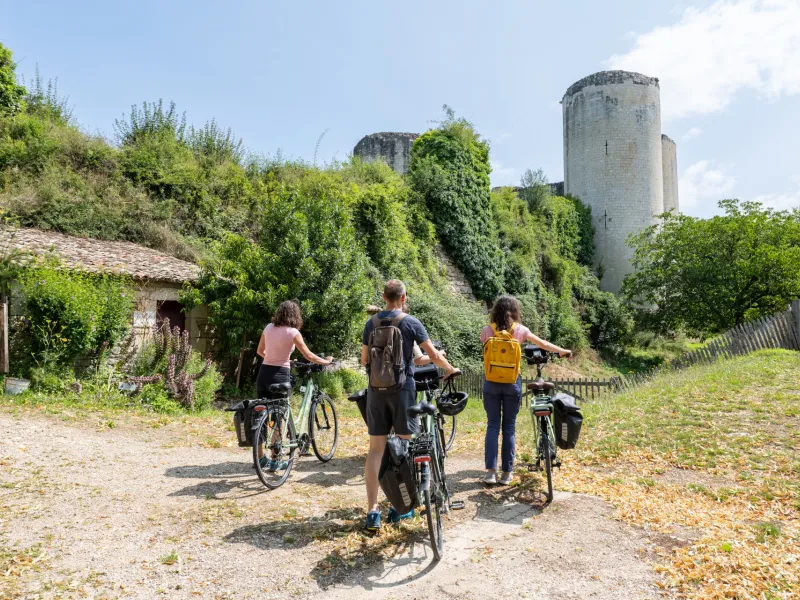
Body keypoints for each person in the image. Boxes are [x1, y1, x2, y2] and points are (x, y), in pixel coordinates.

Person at [361, 280, 459, 531]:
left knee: (376, 450)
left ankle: (372, 511)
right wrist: (449, 369)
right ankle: (399, 508)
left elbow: (364, 360)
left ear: (384, 297)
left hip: (375, 391)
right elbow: (433, 356)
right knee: (403, 446)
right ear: (403, 297)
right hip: (403, 391)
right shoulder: (410, 322)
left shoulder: (370, 324)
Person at [481, 295, 571, 486]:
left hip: (491, 383)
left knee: (492, 426)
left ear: (495, 311)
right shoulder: (520, 331)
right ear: (514, 311)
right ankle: (506, 474)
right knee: (509, 428)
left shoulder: (487, 330)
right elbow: (543, 345)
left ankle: (490, 472)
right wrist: (562, 350)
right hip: (512, 383)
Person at [255, 300, 332, 469]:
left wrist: (275, 357)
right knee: (278, 417)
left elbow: (260, 351)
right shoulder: (293, 332)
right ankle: (276, 460)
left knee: (262, 415)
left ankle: (260, 457)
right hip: (280, 376)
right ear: (295, 315)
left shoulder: (268, 327)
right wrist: (326, 362)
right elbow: (309, 355)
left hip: (264, 374)